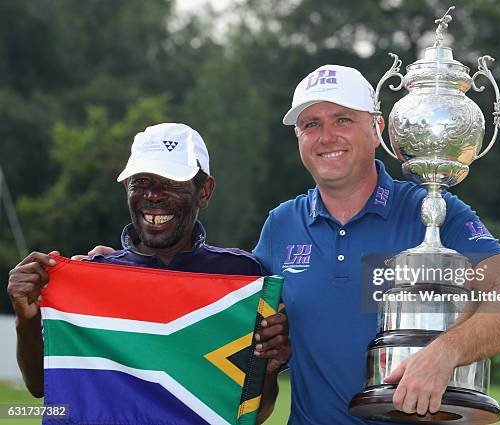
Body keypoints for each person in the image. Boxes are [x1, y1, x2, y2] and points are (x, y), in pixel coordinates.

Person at [252, 64, 500, 424]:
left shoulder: (433, 211)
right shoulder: (282, 224)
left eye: (342, 120)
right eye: (310, 124)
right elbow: (257, 337)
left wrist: (445, 352)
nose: (326, 136)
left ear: (376, 130)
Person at [7, 123, 289, 423]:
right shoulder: (92, 276)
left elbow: (256, 413)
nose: (154, 195)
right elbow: (41, 386)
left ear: (204, 192)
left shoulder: (242, 277)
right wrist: (26, 319)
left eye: (172, 182)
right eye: (142, 181)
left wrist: (270, 366)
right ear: (126, 186)